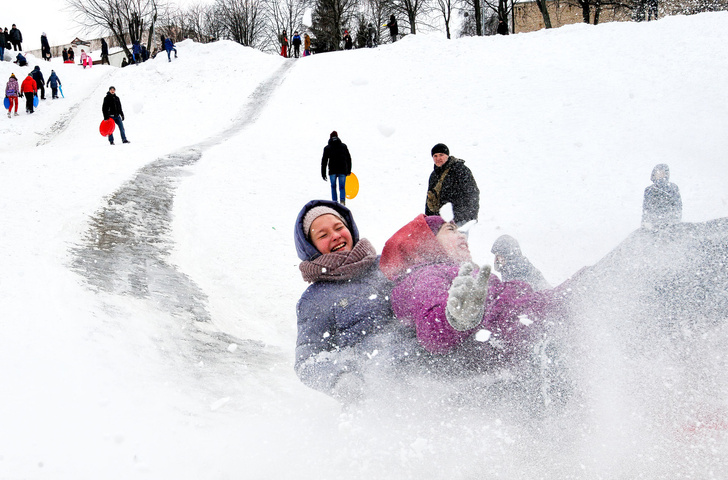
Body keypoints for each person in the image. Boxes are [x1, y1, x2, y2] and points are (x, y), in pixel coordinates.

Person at [380, 214, 568, 365]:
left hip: (532, 314)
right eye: (451, 230)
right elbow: (431, 331)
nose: (462, 235)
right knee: (588, 286)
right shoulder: (427, 275)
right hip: (523, 330)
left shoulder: (454, 271)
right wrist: (456, 318)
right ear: (426, 243)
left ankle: (524, 272)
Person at [294, 200, 412, 402]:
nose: (335, 236)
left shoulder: (387, 264)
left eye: (339, 227)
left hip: (424, 375)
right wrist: (340, 379)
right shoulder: (315, 299)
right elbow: (307, 361)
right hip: (375, 397)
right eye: (323, 235)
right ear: (311, 247)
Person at [425, 143, 480, 226]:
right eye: (435, 156)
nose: (438, 158)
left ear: (447, 155)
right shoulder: (434, 175)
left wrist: (468, 216)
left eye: (441, 155)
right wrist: (429, 220)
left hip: (460, 219)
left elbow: (472, 193)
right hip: (440, 222)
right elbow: (430, 198)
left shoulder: (460, 170)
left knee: (457, 239)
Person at [642, 164, 682, 229]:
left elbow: (678, 206)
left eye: (662, 172)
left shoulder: (673, 188)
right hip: (653, 224)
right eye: (657, 172)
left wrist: (674, 221)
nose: (660, 174)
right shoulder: (649, 190)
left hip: (669, 224)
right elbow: (646, 208)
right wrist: (645, 223)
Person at [321, 131, 352, 205]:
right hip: (342, 169)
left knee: (333, 186)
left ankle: (334, 203)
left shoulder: (327, 148)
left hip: (332, 170)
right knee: (342, 187)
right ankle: (342, 201)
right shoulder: (343, 146)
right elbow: (348, 158)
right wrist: (348, 170)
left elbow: (324, 161)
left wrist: (323, 173)